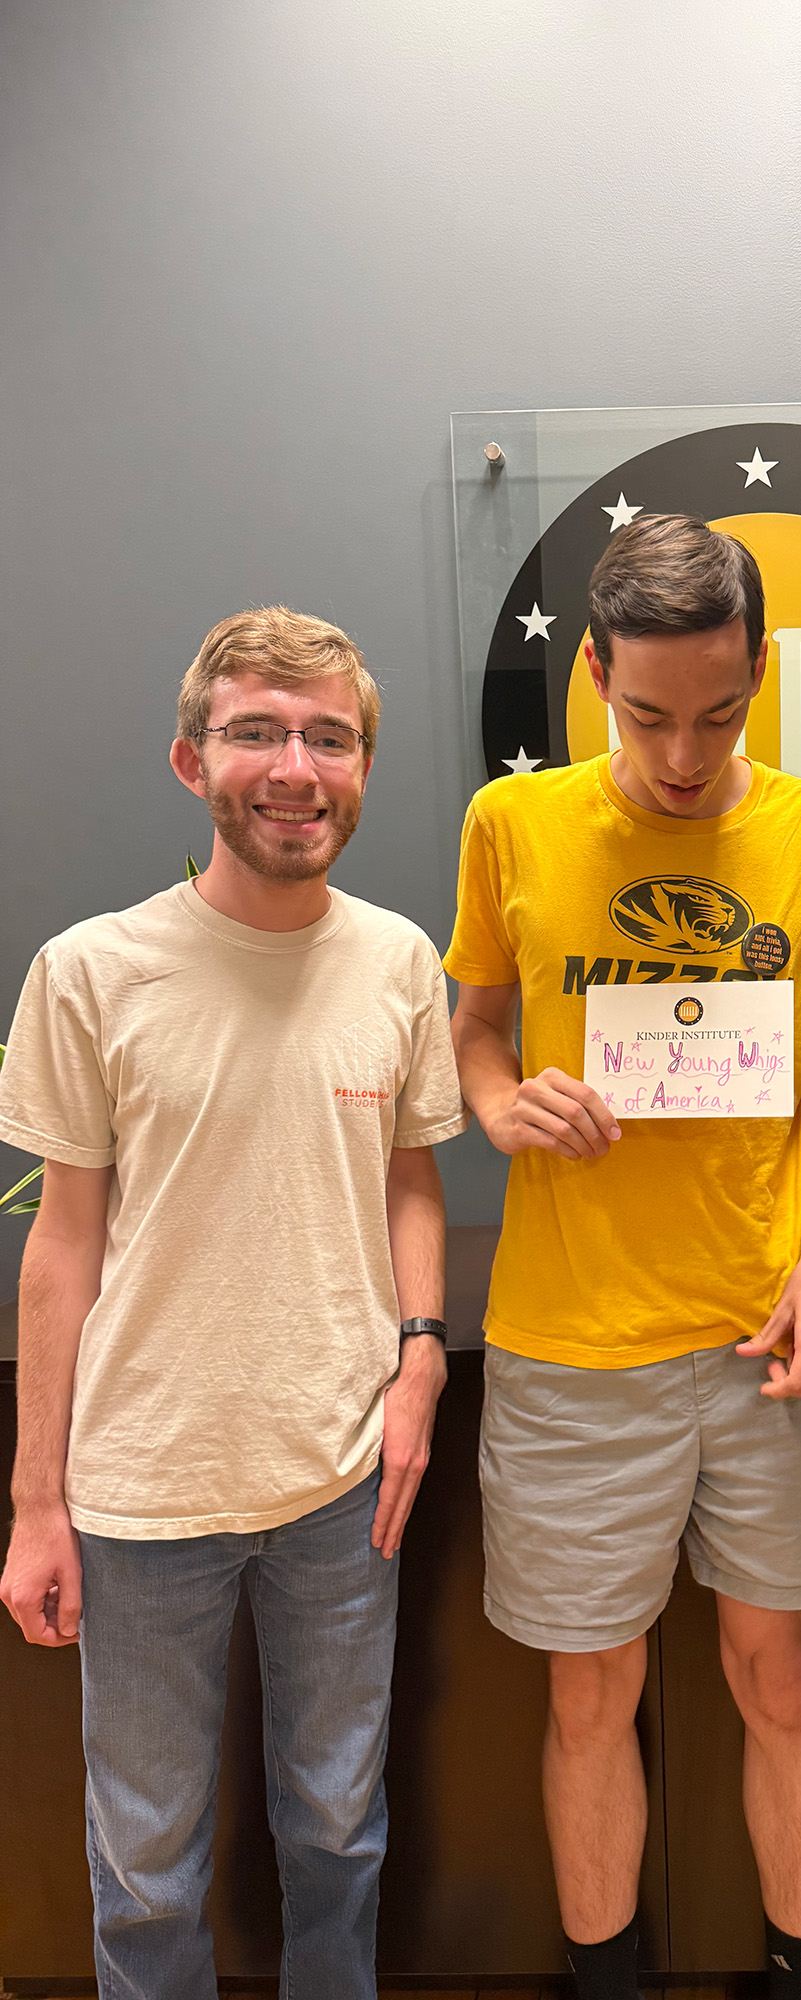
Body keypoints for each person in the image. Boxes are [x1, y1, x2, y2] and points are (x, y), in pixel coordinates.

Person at [446, 514, 801, 2000]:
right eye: (646, 715)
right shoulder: (513, 825)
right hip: (575, 1342)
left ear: (759, 672)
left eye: (720, 713)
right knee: (592, 1693)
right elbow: (475, 1031)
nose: (683, 753)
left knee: (782, 1679)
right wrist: (508, 1106)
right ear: (591, 672)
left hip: (768, 1333)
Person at [0, 608, 466, 2000]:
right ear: (190, 761)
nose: (294, 767)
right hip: (141, 1491)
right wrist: (36, 1503)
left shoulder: (398, 962)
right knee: (145, 1869)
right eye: (256, 731)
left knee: (339, 1832)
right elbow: (61, 1247)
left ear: (364, 766)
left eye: (330, 737)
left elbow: (413, 1187)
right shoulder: (91, 972)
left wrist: (422, 1362)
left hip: (341, 1480)